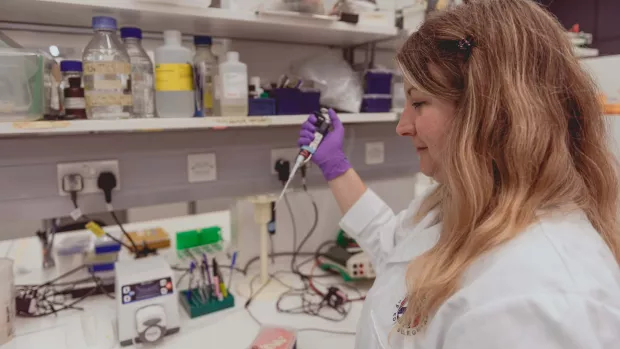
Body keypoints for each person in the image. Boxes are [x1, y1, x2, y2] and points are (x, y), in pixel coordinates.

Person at [297, 0, 620, 348]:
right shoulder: (462, 202)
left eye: (418, 102)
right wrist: (336, 167)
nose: (402, 127)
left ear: (491, 113)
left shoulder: (537, 297)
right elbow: (396, 246)